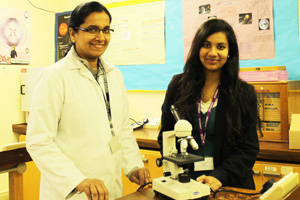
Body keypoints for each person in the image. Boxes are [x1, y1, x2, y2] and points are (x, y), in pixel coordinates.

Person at [26, 2, 151, 200]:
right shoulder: (55, 77)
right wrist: (77, 180)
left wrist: (133, 166)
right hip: (72, 191)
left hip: (109, 187)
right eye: (92, 29)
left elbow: (121, 129)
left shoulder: (114, 75)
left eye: (106, 30)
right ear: (73, 33)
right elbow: (39, 142)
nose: (100, 37)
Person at [157, 18, 260, 192]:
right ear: (198, 48)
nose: (212, 52)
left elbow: (248, 148)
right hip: (186, 183)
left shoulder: (243, 93)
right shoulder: (178, 85)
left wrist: (219, 176)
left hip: (228, 183)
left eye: (220, 47)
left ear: (229, 52)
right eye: (206, 45)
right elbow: (165, 136)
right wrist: (180, 171)